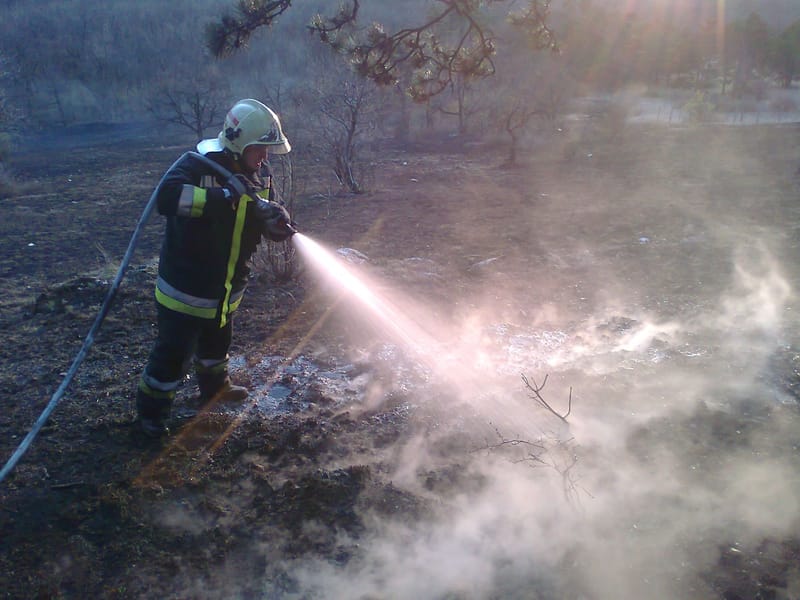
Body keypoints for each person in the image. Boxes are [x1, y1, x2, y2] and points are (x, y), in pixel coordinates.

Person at [135, 99, 296, 436]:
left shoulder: (260, 173)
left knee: (217, 344)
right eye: (259, 150)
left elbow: (261, 216)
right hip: (186, 289)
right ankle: (152, 414)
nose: (265, 158)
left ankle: (214, 388)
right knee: (173, 356)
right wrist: (222, 197)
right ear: (239, 144)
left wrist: (276, 224)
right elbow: (167, 199)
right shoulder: (196, 165)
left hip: (226, 288)